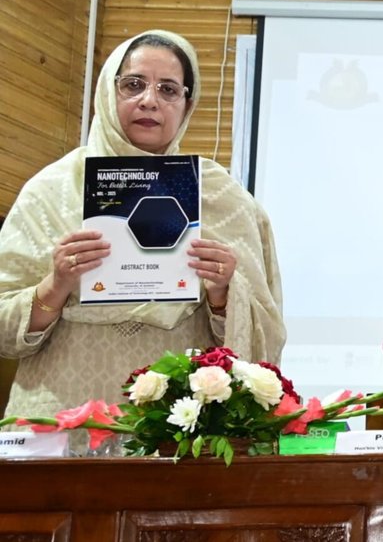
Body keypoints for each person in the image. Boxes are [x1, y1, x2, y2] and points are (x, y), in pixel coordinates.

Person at [0, 30, 285, 418]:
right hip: (60, 422)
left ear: (187, 105)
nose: (149, 100)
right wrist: (57, 284)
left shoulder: (223, 199)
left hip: (178, 426)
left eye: (168, 90)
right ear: (108, 91)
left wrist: (223, 294)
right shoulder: (51, 191)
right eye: (133, 85)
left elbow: (263, 347)